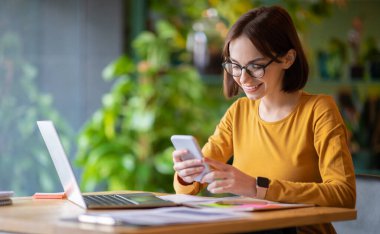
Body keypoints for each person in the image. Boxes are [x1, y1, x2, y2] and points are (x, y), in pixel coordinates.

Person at [172, 5, 356, 234]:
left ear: (288, 59)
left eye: (256, 67)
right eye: (235, 66)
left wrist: (256, 186)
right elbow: (188, 189)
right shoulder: (239, 112)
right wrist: (188, 174)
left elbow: (343, 195)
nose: (243, 78)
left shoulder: (319, 110)